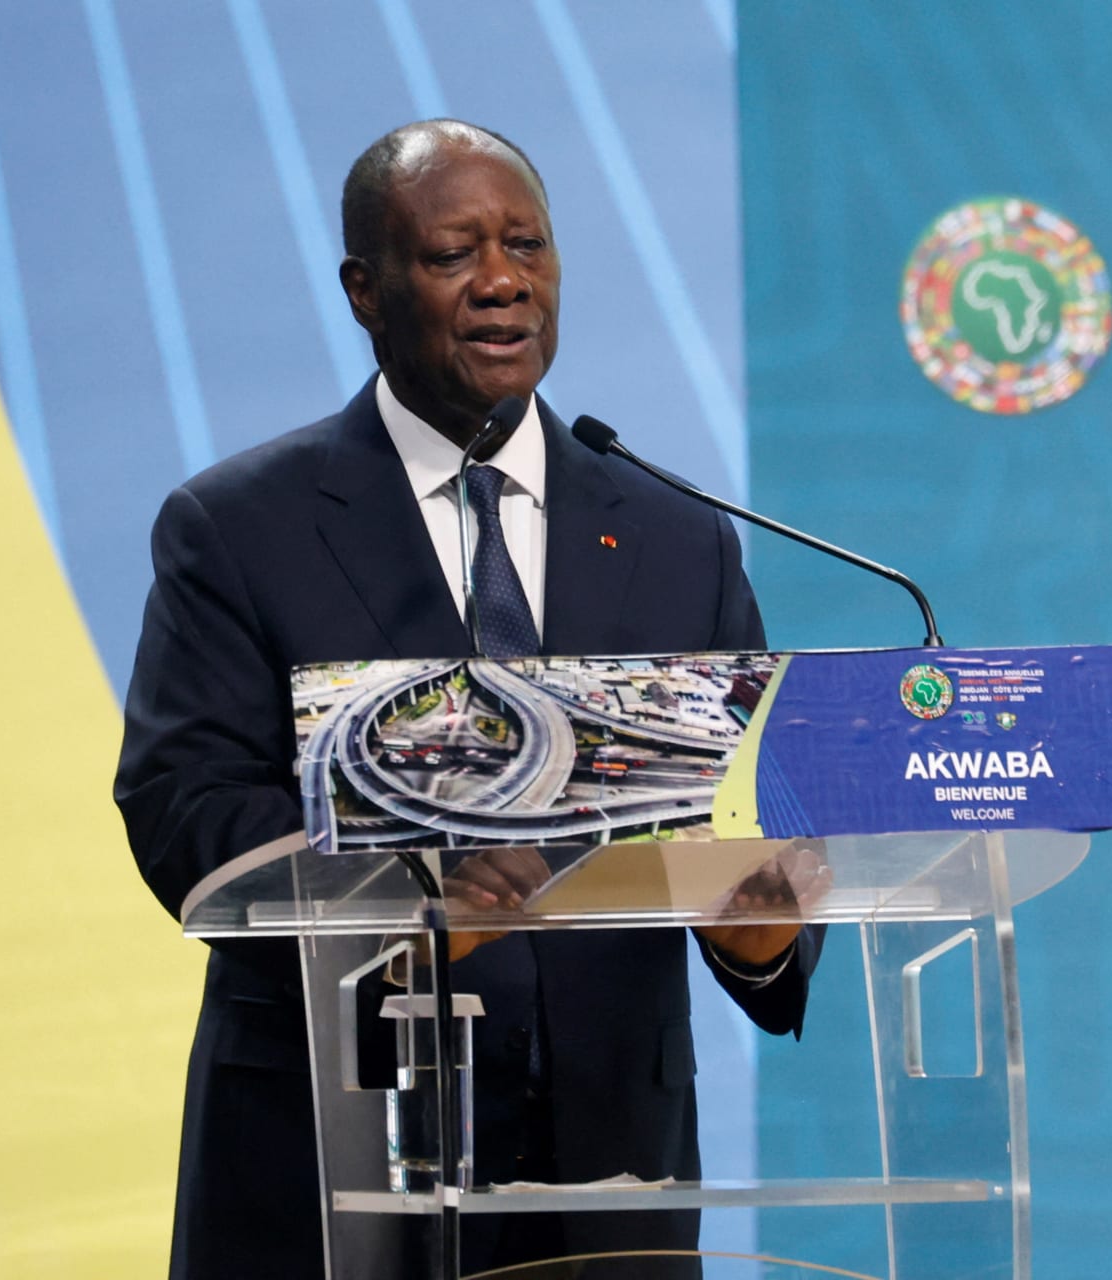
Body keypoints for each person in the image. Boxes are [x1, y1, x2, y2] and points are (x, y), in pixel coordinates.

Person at [115, 118, 822, 1279]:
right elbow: (181, 806)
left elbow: (746, 810)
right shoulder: (241, 527)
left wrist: (765, 935)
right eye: (454, 254)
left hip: (608, 1169)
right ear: (366, 289)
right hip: (334, 1152)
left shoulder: (677, 538)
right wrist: (402, 891)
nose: (503, 281)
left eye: (528, 247)